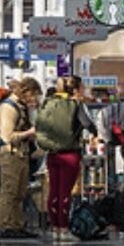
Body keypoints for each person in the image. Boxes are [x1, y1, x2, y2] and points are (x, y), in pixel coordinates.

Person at [38, 76, 86, 234]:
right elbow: (87, 123)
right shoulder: (75, 105)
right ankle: (64, 227)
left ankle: (55, 227)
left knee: (53, 191)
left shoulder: (49, 103)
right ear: (75, 90)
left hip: (52, 153)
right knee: (65, 192)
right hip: (70, 154)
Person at [0, 77, 41, 240]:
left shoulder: (21, 107)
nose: (34, 99)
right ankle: (7, 225)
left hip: (21, 154)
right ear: (27, 92)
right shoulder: (9, 108)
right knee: (10, 190)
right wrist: (29, 133)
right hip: (10, 154)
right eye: (33, 95)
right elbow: (7, 136)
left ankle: (17, 224)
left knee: (20, 191)